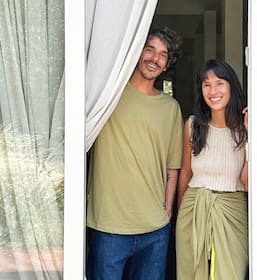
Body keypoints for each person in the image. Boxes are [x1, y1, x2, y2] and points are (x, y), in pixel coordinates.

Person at [86, 26, 183, 280]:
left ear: (166, 64)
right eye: (149, 49)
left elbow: (173, 166)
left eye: (163, 54)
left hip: (155, 229)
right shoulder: (108, 96)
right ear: (137, 51)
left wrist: (167, 209)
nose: (154, 58)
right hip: (108, 225)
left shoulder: (170, 108)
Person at [176, 59, 249, 280]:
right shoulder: (192, 125)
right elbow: (186, 173)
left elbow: (247, 182)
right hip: (193, 209)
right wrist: (180, 216)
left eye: (219, 83)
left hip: (232, 210)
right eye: (206, 85)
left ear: (231, 87)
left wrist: (252, 134)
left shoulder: (245, 129)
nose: (213, 91)